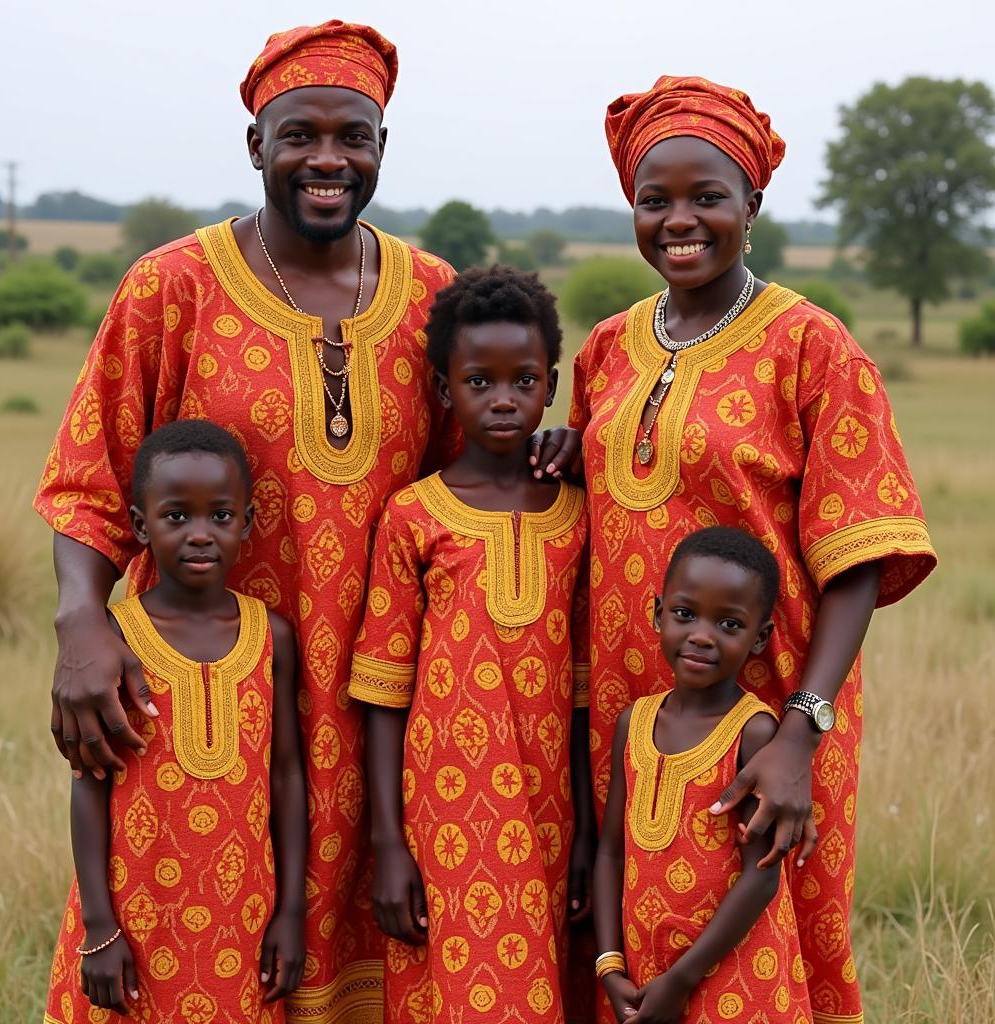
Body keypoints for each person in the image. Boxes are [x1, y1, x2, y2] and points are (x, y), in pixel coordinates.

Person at [34, 22, 579, 1020]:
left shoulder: (431, 294)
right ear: (256, 146)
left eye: (354, 137)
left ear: (379, 148)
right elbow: (86, 480)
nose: (327, 159)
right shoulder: (171, 287)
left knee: (382, 950)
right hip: (214, 695)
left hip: (386, 714)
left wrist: (560, 449)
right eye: (299, 135)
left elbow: (477, 464)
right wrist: (80, 625)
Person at [571, 76, 937, 1024]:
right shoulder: (607, 349)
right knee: (629, 941)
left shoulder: (813, 348)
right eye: (656, 201)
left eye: (707, 198)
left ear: (754, 208)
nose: (679, 221)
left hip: (768, 717)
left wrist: (801, 735)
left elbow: (857, 558)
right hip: (632, 711)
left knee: (767, 953)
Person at [348, 267, 594, 1023]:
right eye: (478, 380)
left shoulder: (581, 513)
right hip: (443, 817)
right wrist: (390, 844)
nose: (502, 399)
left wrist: (590, 830)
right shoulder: (413, 517)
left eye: (523, 380)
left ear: (550, 386)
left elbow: (587, 690)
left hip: (553, 810)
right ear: (443, 387)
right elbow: (385, 694)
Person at [44, 420, 307, 1024]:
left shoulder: (273, 637)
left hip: (242, 916)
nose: (199, 535)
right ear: (140, 526)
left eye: (219, 516)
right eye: (175, 517)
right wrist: (100, 926)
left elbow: (287, 780)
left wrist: (291, 912)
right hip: (135, 914)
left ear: (246, 523)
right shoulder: (114, 640)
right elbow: (90, 785)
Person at [593, 527, 813, 1024]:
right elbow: (611, 850)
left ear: (760, 638)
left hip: (732, 972)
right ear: (657, 613)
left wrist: (684, 977)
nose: (700, 635)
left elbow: (762, 876)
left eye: (729, 624)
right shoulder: (635, 721)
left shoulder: (754, 732)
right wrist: (610, 965)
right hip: (646, 969)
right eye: (685, 614)